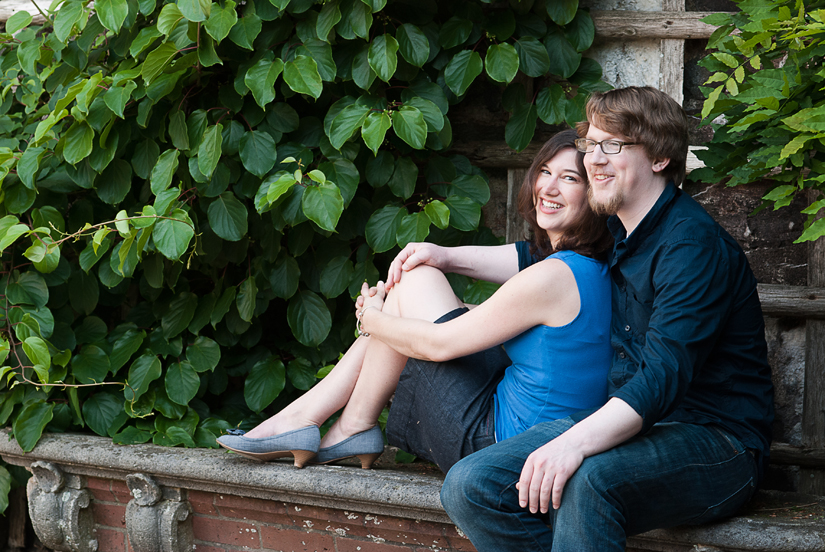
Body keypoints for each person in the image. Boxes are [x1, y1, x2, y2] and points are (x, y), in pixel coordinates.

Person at [436, 86, 775, 551]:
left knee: (586, 477)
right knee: (472, 483)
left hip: (718, 444)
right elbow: (533, 255)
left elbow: (664, 375)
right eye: (591, 144)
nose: (594, 159)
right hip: (637, 426)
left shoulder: (690, 246)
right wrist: (443, 255)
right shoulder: (616, 224)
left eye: (613, 145)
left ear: (658, 158)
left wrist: (574, 443)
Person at [217, 130, 614, 472]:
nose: (548, 187)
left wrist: (373, 319)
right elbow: (507, 323)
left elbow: (439, 344)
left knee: (410, 287)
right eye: (545, 171)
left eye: (569, 178)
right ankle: (339, 423)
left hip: (499, 449)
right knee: (412, 285)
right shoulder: (586, 268)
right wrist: (395, 310)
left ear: (594, 194)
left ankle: (329, 421)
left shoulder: (553, 276)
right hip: (529, 438)